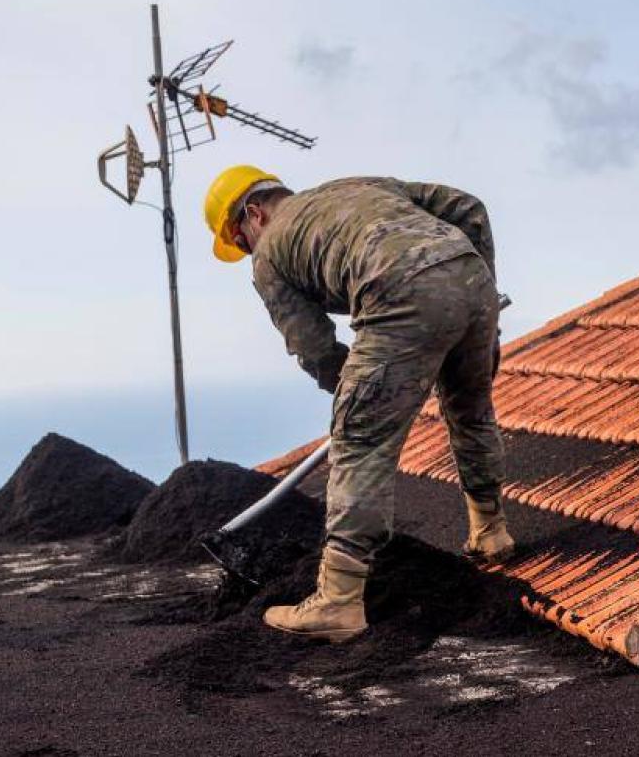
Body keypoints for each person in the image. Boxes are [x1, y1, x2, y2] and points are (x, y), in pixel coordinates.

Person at [203, 166, 514, 643]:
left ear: (254, 214)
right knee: (469, 407)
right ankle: (490, 531)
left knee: (359, 439)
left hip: (398, 290)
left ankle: (339, 600)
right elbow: (468, 207)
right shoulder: (357, 186)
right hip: (472, 281)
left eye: (240, 240)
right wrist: (484, 286)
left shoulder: (268, 255)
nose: (246, 249)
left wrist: (359, 394)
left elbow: (312, 346)